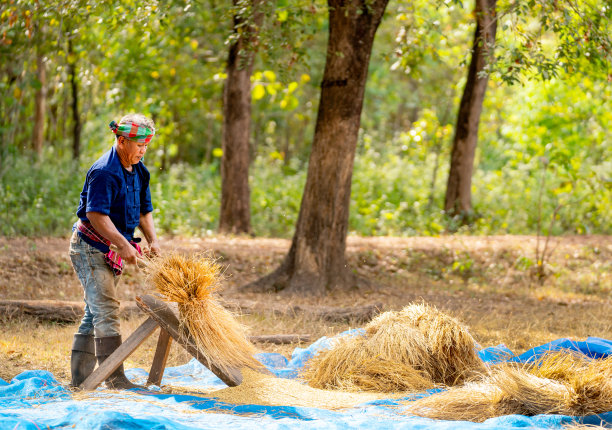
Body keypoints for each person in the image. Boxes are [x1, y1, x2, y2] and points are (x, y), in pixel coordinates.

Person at [68, 113, 160, 389]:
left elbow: (144, 210)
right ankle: (115, 378)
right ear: (121, 141)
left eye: (146, 146)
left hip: (111, 249)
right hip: (90, 247)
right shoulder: (104, 172)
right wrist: (122, 244)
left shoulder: (140, 170)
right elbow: (96, 214)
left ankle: (80, 382)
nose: (143, 151)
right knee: (106, 308)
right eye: (138, 146)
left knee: (94, 312)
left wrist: (153, 240)